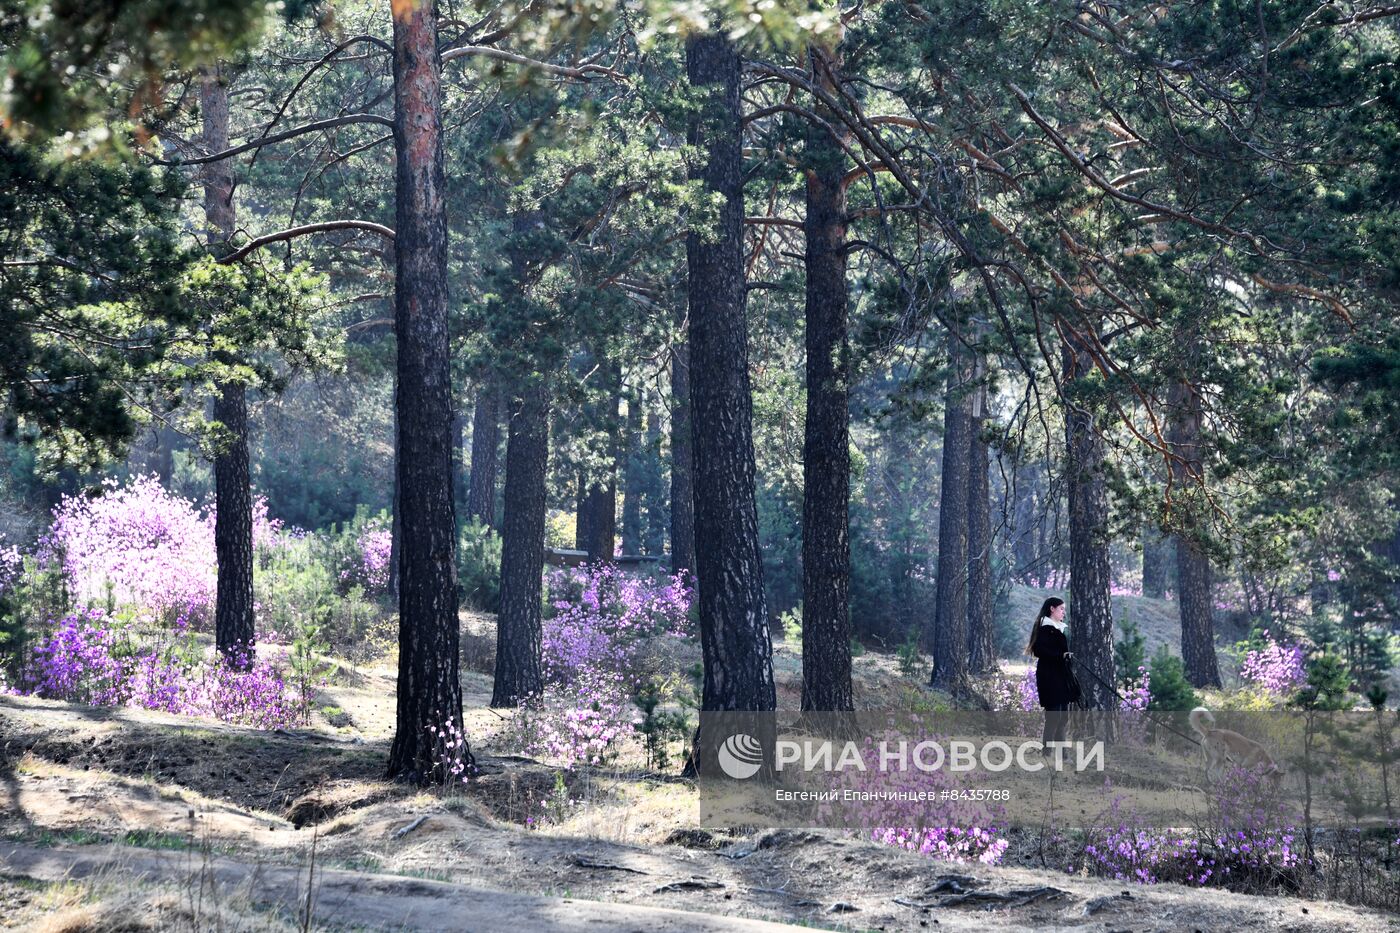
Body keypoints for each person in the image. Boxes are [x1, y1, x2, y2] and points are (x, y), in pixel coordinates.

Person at [1025, 597, 1074, 753]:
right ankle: (1047, 752)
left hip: (1061, 676)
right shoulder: (1045, 628)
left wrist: (1065, 657)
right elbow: (1039, 651)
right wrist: (1061, 656)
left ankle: (1062, 753)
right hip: (1049, 677)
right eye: (1061, 609)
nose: (1063, 613)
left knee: (1063, 717)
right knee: (1054, 716)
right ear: (1052, 609)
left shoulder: (1056, 628)